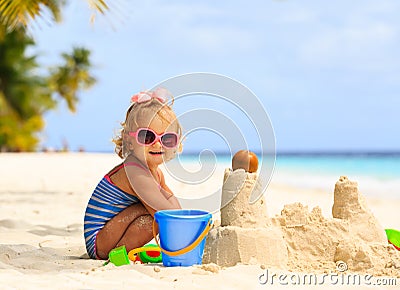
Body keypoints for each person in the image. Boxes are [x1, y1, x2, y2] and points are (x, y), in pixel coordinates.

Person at [84, 88, 182, 260]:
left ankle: (124, 250)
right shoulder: (134, 170)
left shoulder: (156, 173)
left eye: (166, 139)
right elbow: (164, 211)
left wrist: (184, 218)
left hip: (113, 229)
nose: (158, 145)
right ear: (129, 141)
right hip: (98, 239)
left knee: (153, 216)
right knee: (155, 216)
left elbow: (171, 201)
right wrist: (184, 234)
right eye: (147, 137)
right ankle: (119, 253)